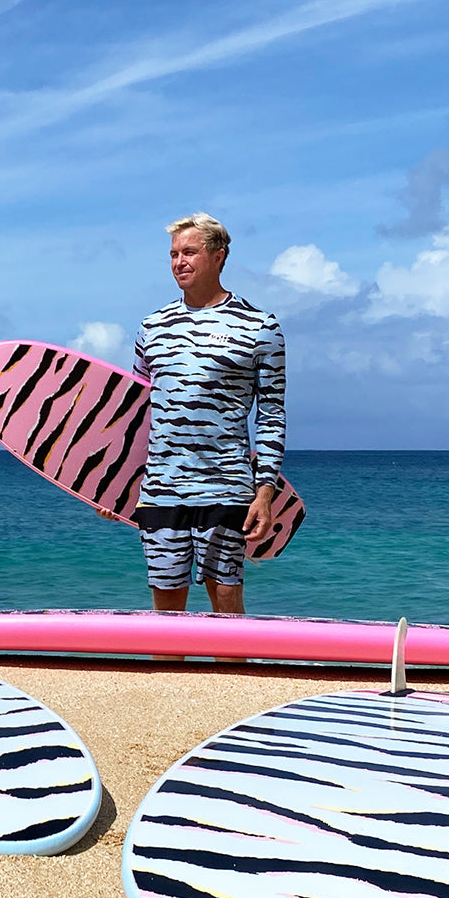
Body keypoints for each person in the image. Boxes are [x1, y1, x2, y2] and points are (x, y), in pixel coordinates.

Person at [102, 212, 286, 619]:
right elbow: (137, 411)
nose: (179, 262)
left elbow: (272, 413)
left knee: (225, 607)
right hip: (160, 489)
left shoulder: (259, 327)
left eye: (190, 252)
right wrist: (113, 485)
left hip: (225, 487)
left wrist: (266, 492)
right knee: (165, 615)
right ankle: (166, 683)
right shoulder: (152, 327)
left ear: (219, 256)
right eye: (173, 254)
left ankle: (234, 681)